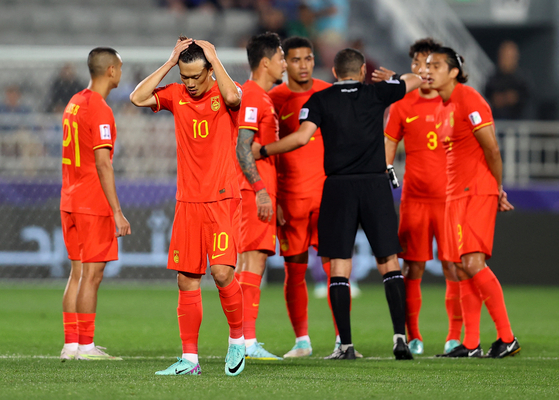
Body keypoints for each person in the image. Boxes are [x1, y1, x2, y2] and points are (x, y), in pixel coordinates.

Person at [253, 48, 422, 360]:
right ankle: (401, 338)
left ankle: (345, 345)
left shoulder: (320, 99)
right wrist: (394, 78)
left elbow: (302, 138)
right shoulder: (376, 93)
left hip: (338, 187)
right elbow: (414, 80)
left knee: (339, 267)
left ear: (334, 72)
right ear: (360, 72)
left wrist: (263, 151)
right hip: (374, 185)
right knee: (390, 263)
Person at [130, 37, 246, 376]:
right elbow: (138, 97)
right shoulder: (176, 94)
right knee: (186, 279)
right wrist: (169, 63)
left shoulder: (224, 92)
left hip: (222, 197)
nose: (191, 84)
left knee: (223, 273)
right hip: (188, 202)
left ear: (210, 69)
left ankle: (237, 340)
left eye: (197, 76)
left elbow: (235, 97)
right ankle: (190, 360)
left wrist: (215, 57)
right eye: (185, 77)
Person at [426, 46, 520, 358]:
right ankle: (470, 344)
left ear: (454, 71)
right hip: (455, 194)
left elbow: (492, 148)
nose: (428, 70)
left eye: (436, 65)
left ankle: (507, 337)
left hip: (476, 190)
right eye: (426, 65)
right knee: (459, 267)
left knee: (472, 263)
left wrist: (497, 187)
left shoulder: (469, 98)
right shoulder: (443, 106)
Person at [384, 38, 462, 355]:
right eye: (419, 63)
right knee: (412, 268)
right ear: (412, 66)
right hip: (414, 199)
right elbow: (389, 140)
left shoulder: (454, 101)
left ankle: (455, 336)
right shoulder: (403, 104)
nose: (424, 69)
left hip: (449, 199)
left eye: (430, 63)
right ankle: (413, 335)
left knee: (453, 266)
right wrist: (387, 167)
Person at [59, 47, 131, 361]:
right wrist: (117, 211)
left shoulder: (74, 102)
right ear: (111, 71)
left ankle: (71, 345)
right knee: (92, 275)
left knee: (76, 273)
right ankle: (86, 346)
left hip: (69, 198)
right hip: (92, 201)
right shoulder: (100, 108)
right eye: (120, 67)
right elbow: (104, 163)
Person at [268, 36, 331, 358]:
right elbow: (266, 153)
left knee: (337, 267)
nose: (303, 65)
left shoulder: (326, 92)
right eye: (296, 59)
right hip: (290, 197)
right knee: (295, 268)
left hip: (327, 194)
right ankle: (302, 340)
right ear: (285, 63)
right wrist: (273, 196)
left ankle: (342, 340)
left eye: (308, 58)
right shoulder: (273, 98)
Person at [235, 32, 286, 361]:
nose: (284, 63)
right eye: (281, 57)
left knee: (249, 263)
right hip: (253, 192)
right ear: (265, 62)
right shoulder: (253, 96)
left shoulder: (260, 97)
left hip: (261, 192)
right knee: (252, 262)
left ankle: (241, 339)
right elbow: (243, 148)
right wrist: (261, 191)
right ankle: (246, 341)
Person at [484, 40, 530, 120]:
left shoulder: (522, 81)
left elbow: (526, 99)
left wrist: (512, 98)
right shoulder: (492, 79)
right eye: (504, 56)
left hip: (519, 124)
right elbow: (489, 97)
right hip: (495, 124)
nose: (507, 60)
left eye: (510, 57)